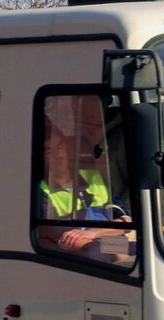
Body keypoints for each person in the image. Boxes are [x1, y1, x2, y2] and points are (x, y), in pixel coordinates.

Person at [36, 95, 133, 262]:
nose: (56, 154)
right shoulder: (41, 191)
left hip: (103, 239)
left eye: (59, 147)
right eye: (48, 151)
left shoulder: (95, 178)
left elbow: (125, 219)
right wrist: (106, 229)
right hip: (80, 250)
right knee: (96, 251)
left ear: (67, 148)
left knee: (137, 251)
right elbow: (64, 237)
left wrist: (93, 232)